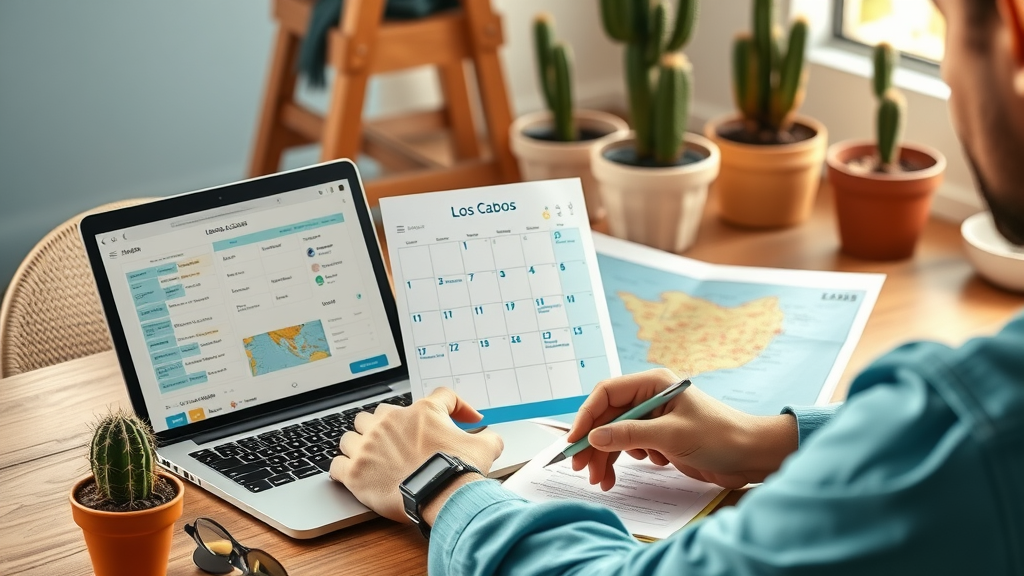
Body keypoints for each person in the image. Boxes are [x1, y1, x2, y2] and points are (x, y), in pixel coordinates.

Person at [330, 0, 1024, 573]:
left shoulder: (974, 432)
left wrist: (440, 484)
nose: (954, 81)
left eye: (948, 26)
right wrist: (773, 439)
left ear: (1012, 34)